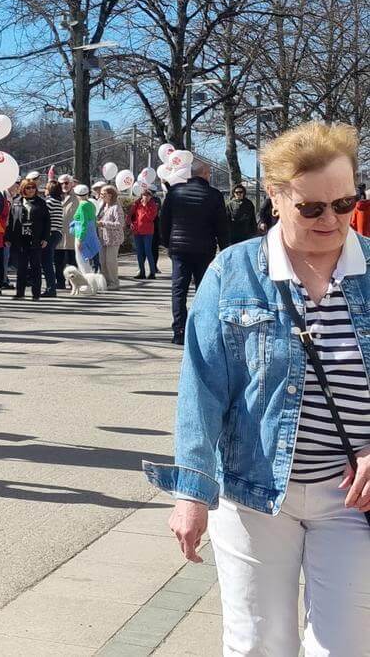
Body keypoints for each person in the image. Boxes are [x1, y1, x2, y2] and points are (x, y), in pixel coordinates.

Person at [147, 122, 370, 656]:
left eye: (344, 203)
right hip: (251, 490)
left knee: (345, 646)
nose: (332, 220)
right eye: (311, 208)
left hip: (352, 499)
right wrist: (192, 493)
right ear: (274, 196)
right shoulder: (233, 271)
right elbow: (202, 388)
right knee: (257, 644)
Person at [159, 160, 231, 346]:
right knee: (204, 290)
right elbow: (221, 226)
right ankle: (201, 329)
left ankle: (179, 331)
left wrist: (168, 243)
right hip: (204, 249)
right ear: (206, 174)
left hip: (179, 249)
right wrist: (225, 250)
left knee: (179, 290)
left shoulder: (175, 192)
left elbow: (164, 221)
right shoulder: (214, 195)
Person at [7, 179, 50, 300]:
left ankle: (36, 294)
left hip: (35, 238)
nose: (31, 190)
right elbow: (11, 222)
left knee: (36, 267)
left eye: (33, 188)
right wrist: (8, 237)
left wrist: (45, 238)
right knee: (21, 267)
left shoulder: (41, 203)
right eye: (28, 188)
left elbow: (47, 222)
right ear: (23, 189)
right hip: (20, 239)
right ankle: (20, 293)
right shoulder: (16, 202)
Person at [96, 184, 126, 289]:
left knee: (110, 261)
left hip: (113, 239)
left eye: (103, 194)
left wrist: (104, 223)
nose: (101, 196)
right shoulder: (102, 206)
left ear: (110, 195)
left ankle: (114, 282)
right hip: (103, 238)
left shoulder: (116, 207)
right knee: (102, 262)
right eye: (101, 194)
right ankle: (106, 282)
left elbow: (120, 224)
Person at [129, 185, 160, 280]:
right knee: (139, 252)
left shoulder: (153, 205)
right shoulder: (137, 203)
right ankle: (141, 272)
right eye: (144, 195)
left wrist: (145, 205)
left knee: (148, 251)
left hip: (147, 231)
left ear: (151, 196)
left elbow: (151, 217)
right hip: (137, 230)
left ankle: (152, 272)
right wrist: (130, 223)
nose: (145, 197)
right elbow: (130, 214)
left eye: (147, 195)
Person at [70, 185, 99, 275]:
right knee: (88, 260)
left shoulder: (82, 206)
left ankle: (87, 281)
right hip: (91, 234)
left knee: (82, 261)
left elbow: (83, 223)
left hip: (82, 235)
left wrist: (80, 239)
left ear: (77, 195)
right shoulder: (91, 204)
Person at [43, 180, 65, 294]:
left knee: (47, 262)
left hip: (50, 234)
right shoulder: (58, 202)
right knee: (48, 261)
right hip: (57, 233)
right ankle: (51, 286)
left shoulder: (49, 202)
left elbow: (44, 218)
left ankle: (51, 288)